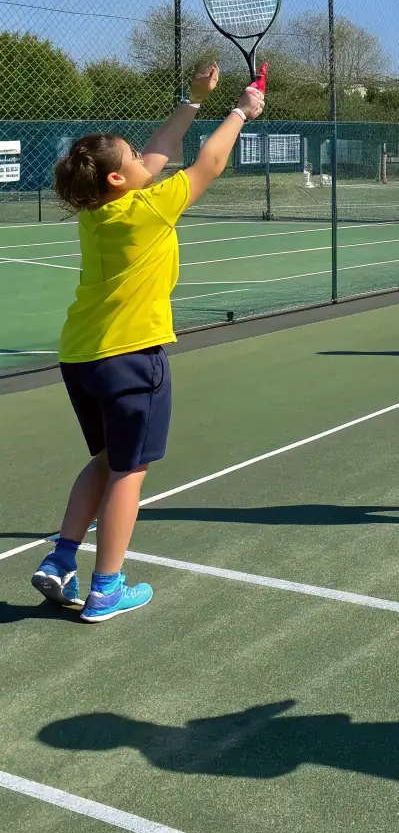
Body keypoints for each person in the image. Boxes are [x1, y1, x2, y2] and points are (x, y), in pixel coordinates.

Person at [31, 64, 265, 622]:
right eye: (133, 158)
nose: (145, 159)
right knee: (129, 474)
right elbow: (208, 162)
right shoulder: (149, 208)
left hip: (81, 357)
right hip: (131, 358)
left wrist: (195, 100)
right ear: (118, 179)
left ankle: (63, 557)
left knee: (107, 458)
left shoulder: (97, 211)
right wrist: (240, 111)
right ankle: (105, 586)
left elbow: (161, 146)